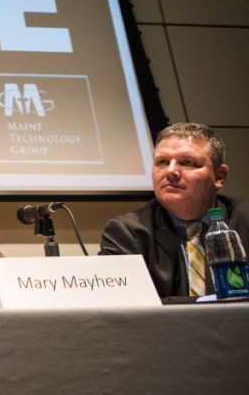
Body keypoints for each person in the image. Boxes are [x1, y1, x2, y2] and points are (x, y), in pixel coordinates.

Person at [100, 122, 249, 302]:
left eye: (188, 163)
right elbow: (128, 307)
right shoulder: (127, 232)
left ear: (219, 176)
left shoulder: (244, 220)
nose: (171, 171)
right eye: (162, 162)